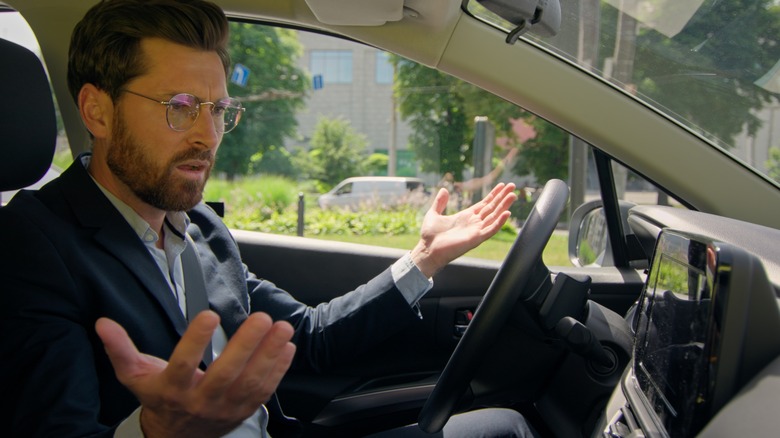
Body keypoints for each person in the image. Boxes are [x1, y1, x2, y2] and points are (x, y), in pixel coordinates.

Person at [0, 1, 537, 437]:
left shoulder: (200, 229)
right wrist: (155, 432)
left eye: (218, 110)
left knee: (504, 426)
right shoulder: (34, 243)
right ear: (97, 110)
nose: (207, 137)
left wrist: (427, 258)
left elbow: (310, 336)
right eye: (181, 105)